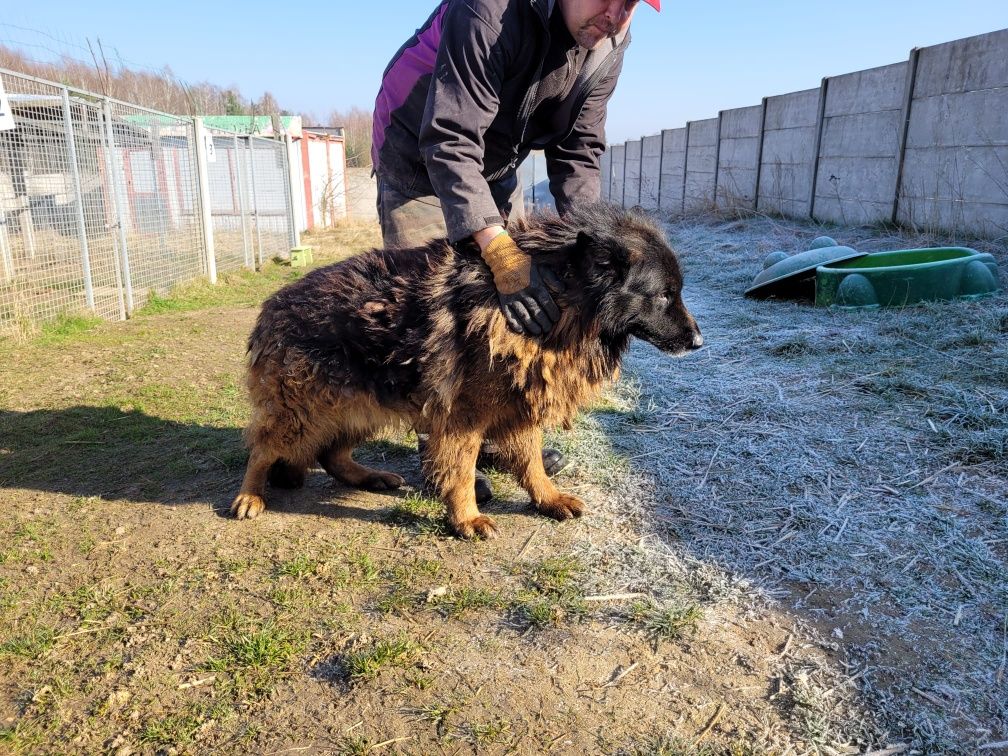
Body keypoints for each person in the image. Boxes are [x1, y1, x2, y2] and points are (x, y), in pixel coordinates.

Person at [372, 0, 659, 499]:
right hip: (420, 147)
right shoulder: (489, 10)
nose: (615, 15)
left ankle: (498, 433)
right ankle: (443, 449)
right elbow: (452, 137)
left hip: (499, 161)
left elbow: (579, 149)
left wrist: (582, 243)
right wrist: (497, 247)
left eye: (631, 4)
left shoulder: (608, 42)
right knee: (431, 311)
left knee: (506, 309)